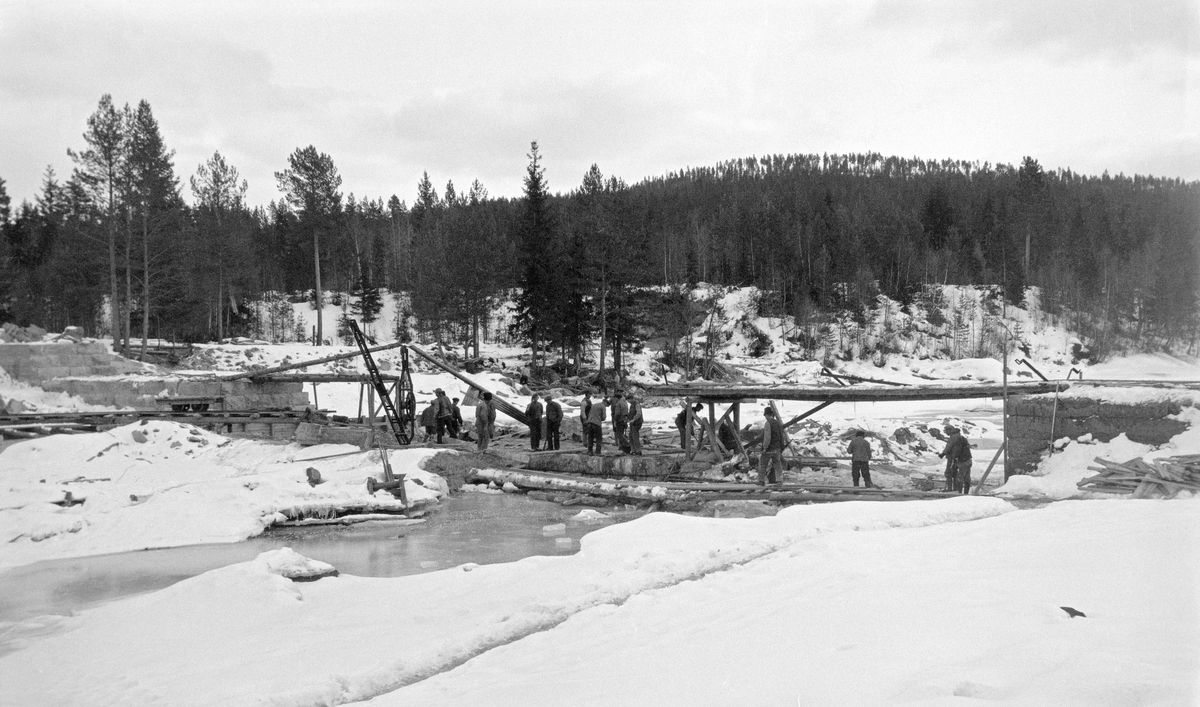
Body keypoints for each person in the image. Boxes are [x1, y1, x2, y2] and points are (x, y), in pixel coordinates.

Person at [940, 425, 973, 494]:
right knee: (964, 476)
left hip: (959, 459)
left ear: (950, 430)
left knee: (950, 473)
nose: (945, 432)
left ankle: (955, 492)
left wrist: (943, 454)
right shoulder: (961, 437)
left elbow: (950, 447)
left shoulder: (954, 438)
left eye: (946, 431)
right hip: (967, 459)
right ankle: (963, 492)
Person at [759, 406, 788, 486]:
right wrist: (781, 446)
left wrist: (765, 448)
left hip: (769, 449)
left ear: (767, 415)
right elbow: (781, 436)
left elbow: (767, 437)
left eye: (765, 415)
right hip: (777, 448)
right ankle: (779, 480)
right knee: (777, 465)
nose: (765, 417)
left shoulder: (768, 423)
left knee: (763, 464)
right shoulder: (778, 423)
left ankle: (761, 481)